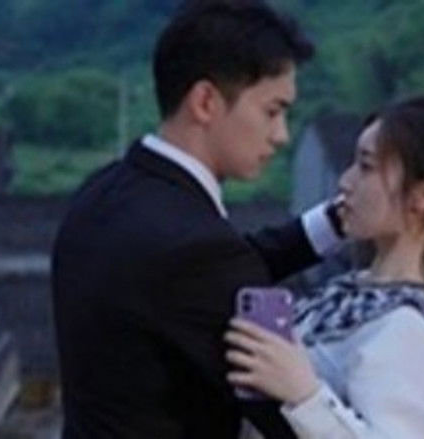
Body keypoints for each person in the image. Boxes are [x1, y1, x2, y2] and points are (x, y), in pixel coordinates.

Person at [51, 2, 345, 438]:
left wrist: (334, 223)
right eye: (272, 111)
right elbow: (293, 421)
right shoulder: (198, 251)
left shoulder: (102, 192)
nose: (282, 135)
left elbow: (228, 269)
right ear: (205, 102)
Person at [226, 95, 424, 439]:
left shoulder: (406, 330)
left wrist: (304, 395)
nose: (346, 181)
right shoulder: (358, 292)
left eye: (366, 167)